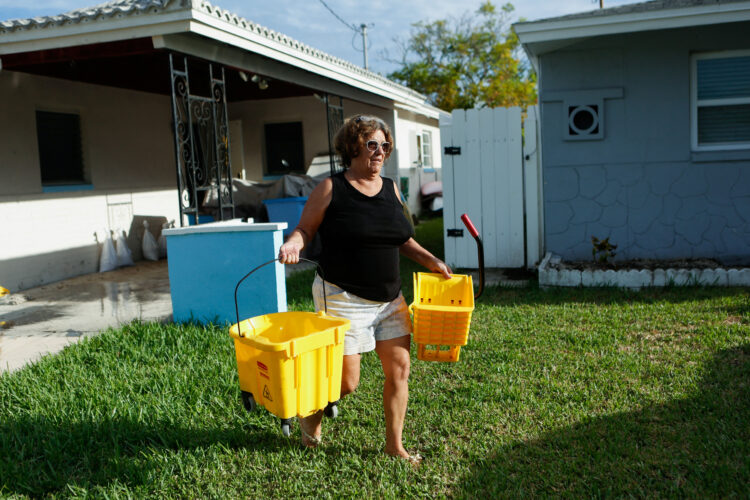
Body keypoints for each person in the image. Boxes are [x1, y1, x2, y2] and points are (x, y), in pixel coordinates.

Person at [277, 114, 452, 463]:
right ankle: (308, 425)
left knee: (399, 369)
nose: (380, 152)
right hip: (342, 296)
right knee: (345, 382)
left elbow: (401, 238)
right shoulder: (332, 188)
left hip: (390, 297)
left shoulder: (391, 188)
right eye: (372, 144)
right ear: (353, 147)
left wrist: (431, 260)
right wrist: (293, 243)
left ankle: (394, 446)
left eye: (385, 145)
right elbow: (305, 230)